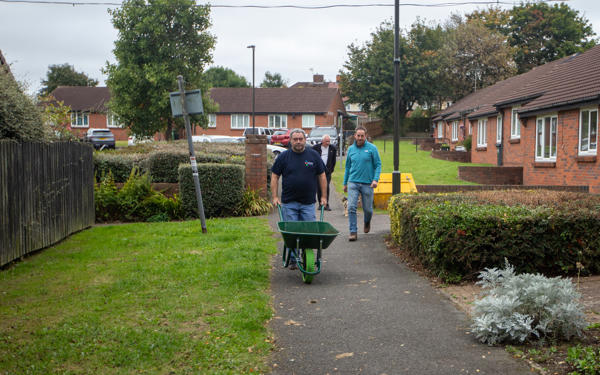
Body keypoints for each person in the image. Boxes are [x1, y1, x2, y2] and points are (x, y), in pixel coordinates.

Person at [272, 129, 328, 269]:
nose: (298, 142)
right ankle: (292, 259)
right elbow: (274, 176)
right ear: (290, 141)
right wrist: (274, 197)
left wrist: (323, 196)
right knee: (292, 232)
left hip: (308, 202)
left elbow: (322, 176)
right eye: (295, 139)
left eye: (300, 139)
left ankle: (306, 252)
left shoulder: (313, 155)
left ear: (305, 140)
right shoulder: (283, 157)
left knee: (309, 232)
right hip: (289, 202)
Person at [343, 127, 382, 241]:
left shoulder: (372, 148)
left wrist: (375, 179)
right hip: (353, 182)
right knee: (351, 207)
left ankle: (367, 222)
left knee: (368, 210)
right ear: (354, 136)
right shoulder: (350, 149)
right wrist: (345, 183)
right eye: (358, 136)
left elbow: (378, 165)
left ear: (366, 136)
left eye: (362, 136)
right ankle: (353, 231)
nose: (360, 138)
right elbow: (347, 167)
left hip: (368, 184)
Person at [312, 134, 337, 211]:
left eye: (329, 141)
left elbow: (334, 160)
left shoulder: (332, 148)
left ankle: (326, 204)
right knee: (319, 187)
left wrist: (331, 169)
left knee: (326, 187)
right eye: (326, 141)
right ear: (322, 141)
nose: (328, 143)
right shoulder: (315, 148)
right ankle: (320, 204)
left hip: (327, 171)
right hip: (318, 171)